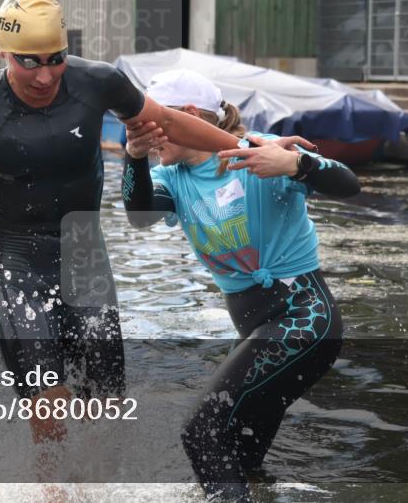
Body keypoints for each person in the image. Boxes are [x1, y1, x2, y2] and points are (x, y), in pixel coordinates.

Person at [0, 0, 313, 454]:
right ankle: (53, 489)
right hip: (16, 264)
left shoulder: (98, 82)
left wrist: (250, 148)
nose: (45, 74)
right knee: (48, 397)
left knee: (105, 403)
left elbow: (168, 121)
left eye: (56, 58)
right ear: (3, 50)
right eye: (28, 61)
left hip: (84, 257)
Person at [121, 69, 359, 501]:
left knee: (202, 433)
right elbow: (138, 215)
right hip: (262, 332)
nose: (148, 135)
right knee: (239, 460)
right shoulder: (173, 180)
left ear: (188, 116)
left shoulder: (256, 152)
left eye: (151, 125)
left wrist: (297, 165)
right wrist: (133, 155)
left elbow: (349, 182)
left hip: (304, 320)